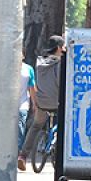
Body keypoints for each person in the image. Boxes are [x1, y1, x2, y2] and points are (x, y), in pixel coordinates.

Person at [19, 36, 64, 171]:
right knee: (66, 125)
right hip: (56, 101)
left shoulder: (39, 63)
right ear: (58, 48)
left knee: (36, 126)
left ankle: (23, 155)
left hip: (41, 102)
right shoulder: (61, 63)